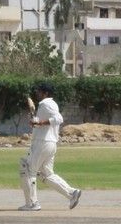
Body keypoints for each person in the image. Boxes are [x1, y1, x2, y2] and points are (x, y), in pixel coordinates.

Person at [19, 82, 82, 211]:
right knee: (46, 174)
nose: (37, 93)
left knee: (28, 169)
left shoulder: (46, 103)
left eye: (39, 91)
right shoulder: (48, 104)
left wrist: (41, 122)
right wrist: (36, 122)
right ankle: (72, 193)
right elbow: (42, 123)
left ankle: (32, 204)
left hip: (43, 143)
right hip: (49, 143)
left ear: (45, 93)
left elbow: (58, 119)